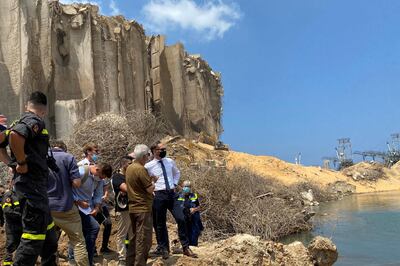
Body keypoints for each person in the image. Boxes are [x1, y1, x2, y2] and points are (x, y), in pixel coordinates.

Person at [8, 91, 58, 265]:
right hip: (32, 188)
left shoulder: (18, 120)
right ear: (44, 110)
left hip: (34, 188)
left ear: (26, 105)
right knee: (33, 237)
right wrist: (20, 162)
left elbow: (2, 141)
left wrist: (10, 162)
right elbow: (15, 135)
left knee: (50, 235)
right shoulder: (34, 120)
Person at [146, 141, 196, 259]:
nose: (164, 151)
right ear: (154, 151)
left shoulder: (169, 161)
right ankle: (163, 249)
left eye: (164, 149)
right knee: (160, 224)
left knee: (182, 218)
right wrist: (152, 191)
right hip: (158, 195)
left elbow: (177, 173)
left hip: (172, 194)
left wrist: (174, 183)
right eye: (161, 149)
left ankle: (185, 247)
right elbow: (146, 180)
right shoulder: (148, 166)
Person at [47, 140, 89, 266]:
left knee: (49, 242)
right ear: (64, 149)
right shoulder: (68, 158)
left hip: (47, 208)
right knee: (78, 241)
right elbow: (76, 183)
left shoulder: (41, 157)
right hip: (65, 207)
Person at [71, 162, 110, 265]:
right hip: (75, 206)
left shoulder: (99, 179)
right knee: (89, 229)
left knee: (84, 231)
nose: (102, 179)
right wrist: (78, 201)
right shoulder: (81, 172)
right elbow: (67, 186)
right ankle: (77, 259)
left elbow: (98, 193)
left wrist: (97, 207)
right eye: (102, 176)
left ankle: (86, 259)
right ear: (97, 170)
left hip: (88, 208)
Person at [126, 144, 157, 266]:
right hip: (143, 208)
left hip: (133, 208)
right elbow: (149, 189)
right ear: (144, 156)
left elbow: (137, 184)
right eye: (148, 155)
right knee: (143, 240)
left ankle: (129, 262)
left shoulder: (130, 167)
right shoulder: (140, 169)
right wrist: (153, 180)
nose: (149, 157)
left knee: (134, 238)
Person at [112, 155, 134, 265]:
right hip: (123, 210)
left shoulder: (130, 176)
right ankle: (122, 257)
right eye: (129, 164)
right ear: (124, 164)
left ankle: (131, 255)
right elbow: (127, 189)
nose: (131, 166)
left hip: (133, 208)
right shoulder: (117, 177)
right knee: (122, 234)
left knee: (132, 233)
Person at [1, 182, 22, 265]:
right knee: (11, 246)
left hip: (21, 225)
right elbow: (7, 211)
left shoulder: (21, 194)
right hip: (12, 227)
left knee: (21, 246)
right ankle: (7, 263)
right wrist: (20, 216)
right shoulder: (8, 196)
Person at [178, 181, 203, 246]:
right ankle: (186, 245)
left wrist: (194, 209)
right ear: (182, 187)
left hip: (194, 217)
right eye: (185, 186)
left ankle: (194, 244)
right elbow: (176, 207)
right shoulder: (179, 195)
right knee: (184, 231)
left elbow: (199, 207)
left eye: (188, 186)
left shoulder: (194, 195)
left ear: (190, 187)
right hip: (184, 217)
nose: (186, 188)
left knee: (195, 231)